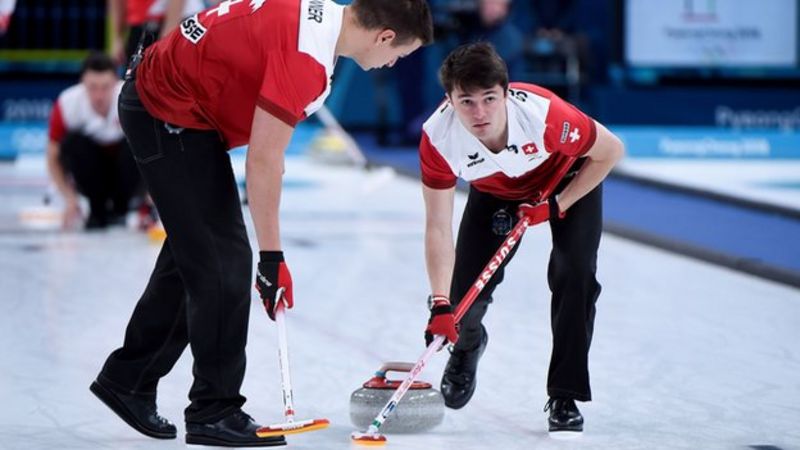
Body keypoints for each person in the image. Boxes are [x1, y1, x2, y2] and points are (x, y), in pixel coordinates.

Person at [90, 0, 433, 447]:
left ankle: (129, 379)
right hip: (165, 111)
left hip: (183, 112)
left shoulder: (318, 21)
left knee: (197, 256)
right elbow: (265, 161)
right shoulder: (307, 57)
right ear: (385, 36)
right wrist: (272, 258)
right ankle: (214, 410)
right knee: (225, 265)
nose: (392, 63)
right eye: (400, 55)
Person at [420, 42, 623, 434]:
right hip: (496, 191)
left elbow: (610, 151)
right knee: (463, 297)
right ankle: (467, 347)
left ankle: (565, 395)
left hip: (568, 180)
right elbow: (437, 226)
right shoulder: (437, 139)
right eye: (466, 102)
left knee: (575, 274)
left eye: (489, 99)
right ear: (449, 101)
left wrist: (557, 204)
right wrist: (440, 303)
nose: (479, 113)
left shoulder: (545, 115)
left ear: (506, 92)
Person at [46, 52, 141, 229]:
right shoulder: (67, 103)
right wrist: (69, 198)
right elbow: (52, 156)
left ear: (115, 83)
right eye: (92, 87)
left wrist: (153, 198)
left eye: (105, 87)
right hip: (91, 176)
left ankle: (122, 208)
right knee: (73, 142)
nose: (99, 95)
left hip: (126, 175)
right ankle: (97, 207)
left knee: (139, 144)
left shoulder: (131, 99)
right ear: (82, 83)